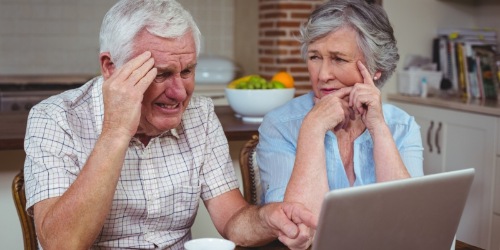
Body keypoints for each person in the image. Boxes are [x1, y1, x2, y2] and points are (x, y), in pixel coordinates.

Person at [23, 0, 317, 249]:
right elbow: (62, 244)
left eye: (187, 71)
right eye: (161, 74)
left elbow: (232, 220)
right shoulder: (54, 118)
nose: (179, 92)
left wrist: (268, 219)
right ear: (111, 68)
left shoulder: (200, 114)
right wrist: (116, 131)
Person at [257, 0, 424, 235]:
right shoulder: (280, 125)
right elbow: (298, 232)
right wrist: (313, 128)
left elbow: (409, 223)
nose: (323, 75)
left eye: (338, 59)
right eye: (315, 57)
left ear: (376, 69)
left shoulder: (402, 127)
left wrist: (378, 128)